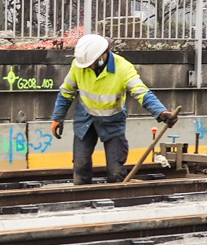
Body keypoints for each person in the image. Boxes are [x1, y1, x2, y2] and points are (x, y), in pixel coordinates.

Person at [50, 34, 177, 185]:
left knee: (116, 171)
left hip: (112, 121)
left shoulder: (123, 68)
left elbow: (142, 93)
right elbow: (66, 93)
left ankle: (115, 201)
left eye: (92, 63)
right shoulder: (78, 66)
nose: (89, 68)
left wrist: (161, 112)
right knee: (80, 165)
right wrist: (58, 118)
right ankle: (82, 200)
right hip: (86, 120)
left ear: (103, 55)